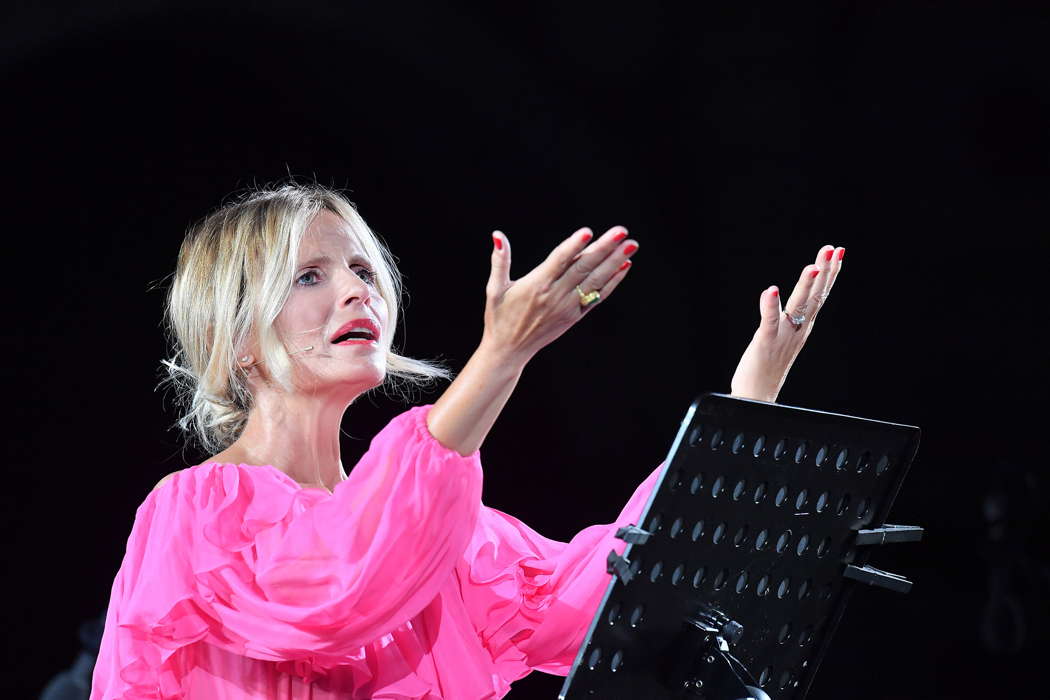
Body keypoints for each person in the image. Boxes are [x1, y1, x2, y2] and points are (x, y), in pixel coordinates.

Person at [90, 183, 844, 699]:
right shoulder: (194, 513)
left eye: (362, 269)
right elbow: (340, 584)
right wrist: (501, 356)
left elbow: (606, 592)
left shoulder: (446, 540)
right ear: (239, 339)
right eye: (308, 277)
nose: (358, 291)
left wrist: (745, 408)